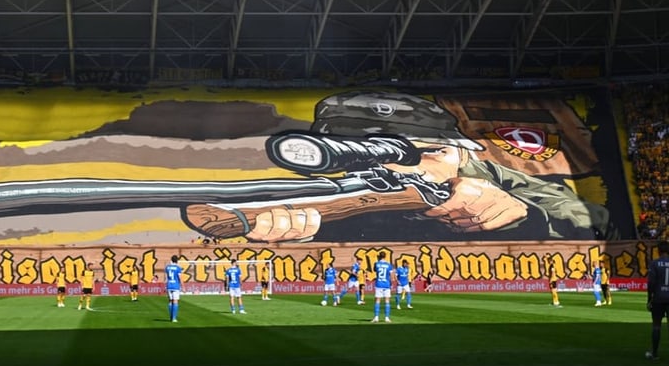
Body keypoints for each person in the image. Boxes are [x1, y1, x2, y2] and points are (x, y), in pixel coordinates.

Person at [200, 91, 614, 243]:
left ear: (463, 153)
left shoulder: (491, 176)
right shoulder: (330, 189)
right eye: (370, 151)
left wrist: (522, 213)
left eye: (426, 153)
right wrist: (297, 237)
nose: (399, 167)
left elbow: (594, 219)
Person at [646, 242, 669, 360]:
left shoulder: (654, 263)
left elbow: (651, 283)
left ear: (658, 251)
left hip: (659, 298)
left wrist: (649, 299)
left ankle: (654, 354)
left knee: (656, 326)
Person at [372, 251, 394, 323]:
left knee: (377, 301)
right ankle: (387, 318)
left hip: (379, 284)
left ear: (379, 256)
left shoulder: (376, 264)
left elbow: (375, 270)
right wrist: (391, 282)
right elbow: (391, 275)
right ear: (385, 256)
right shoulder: (389, 265)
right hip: (386, 284)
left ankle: (376, 317)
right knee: (387, 301)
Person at [165, 254, 183, 322]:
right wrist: (183, 286)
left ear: (171, 260)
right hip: (175, 286)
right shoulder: (178, 268)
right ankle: (174, 318)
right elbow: (180, 278)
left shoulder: (167, 267)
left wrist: (165, 286)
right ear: (177, 261)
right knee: (175, 301)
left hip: (169, 285)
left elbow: (166, 278)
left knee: (170, 301)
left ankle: (171, 317)